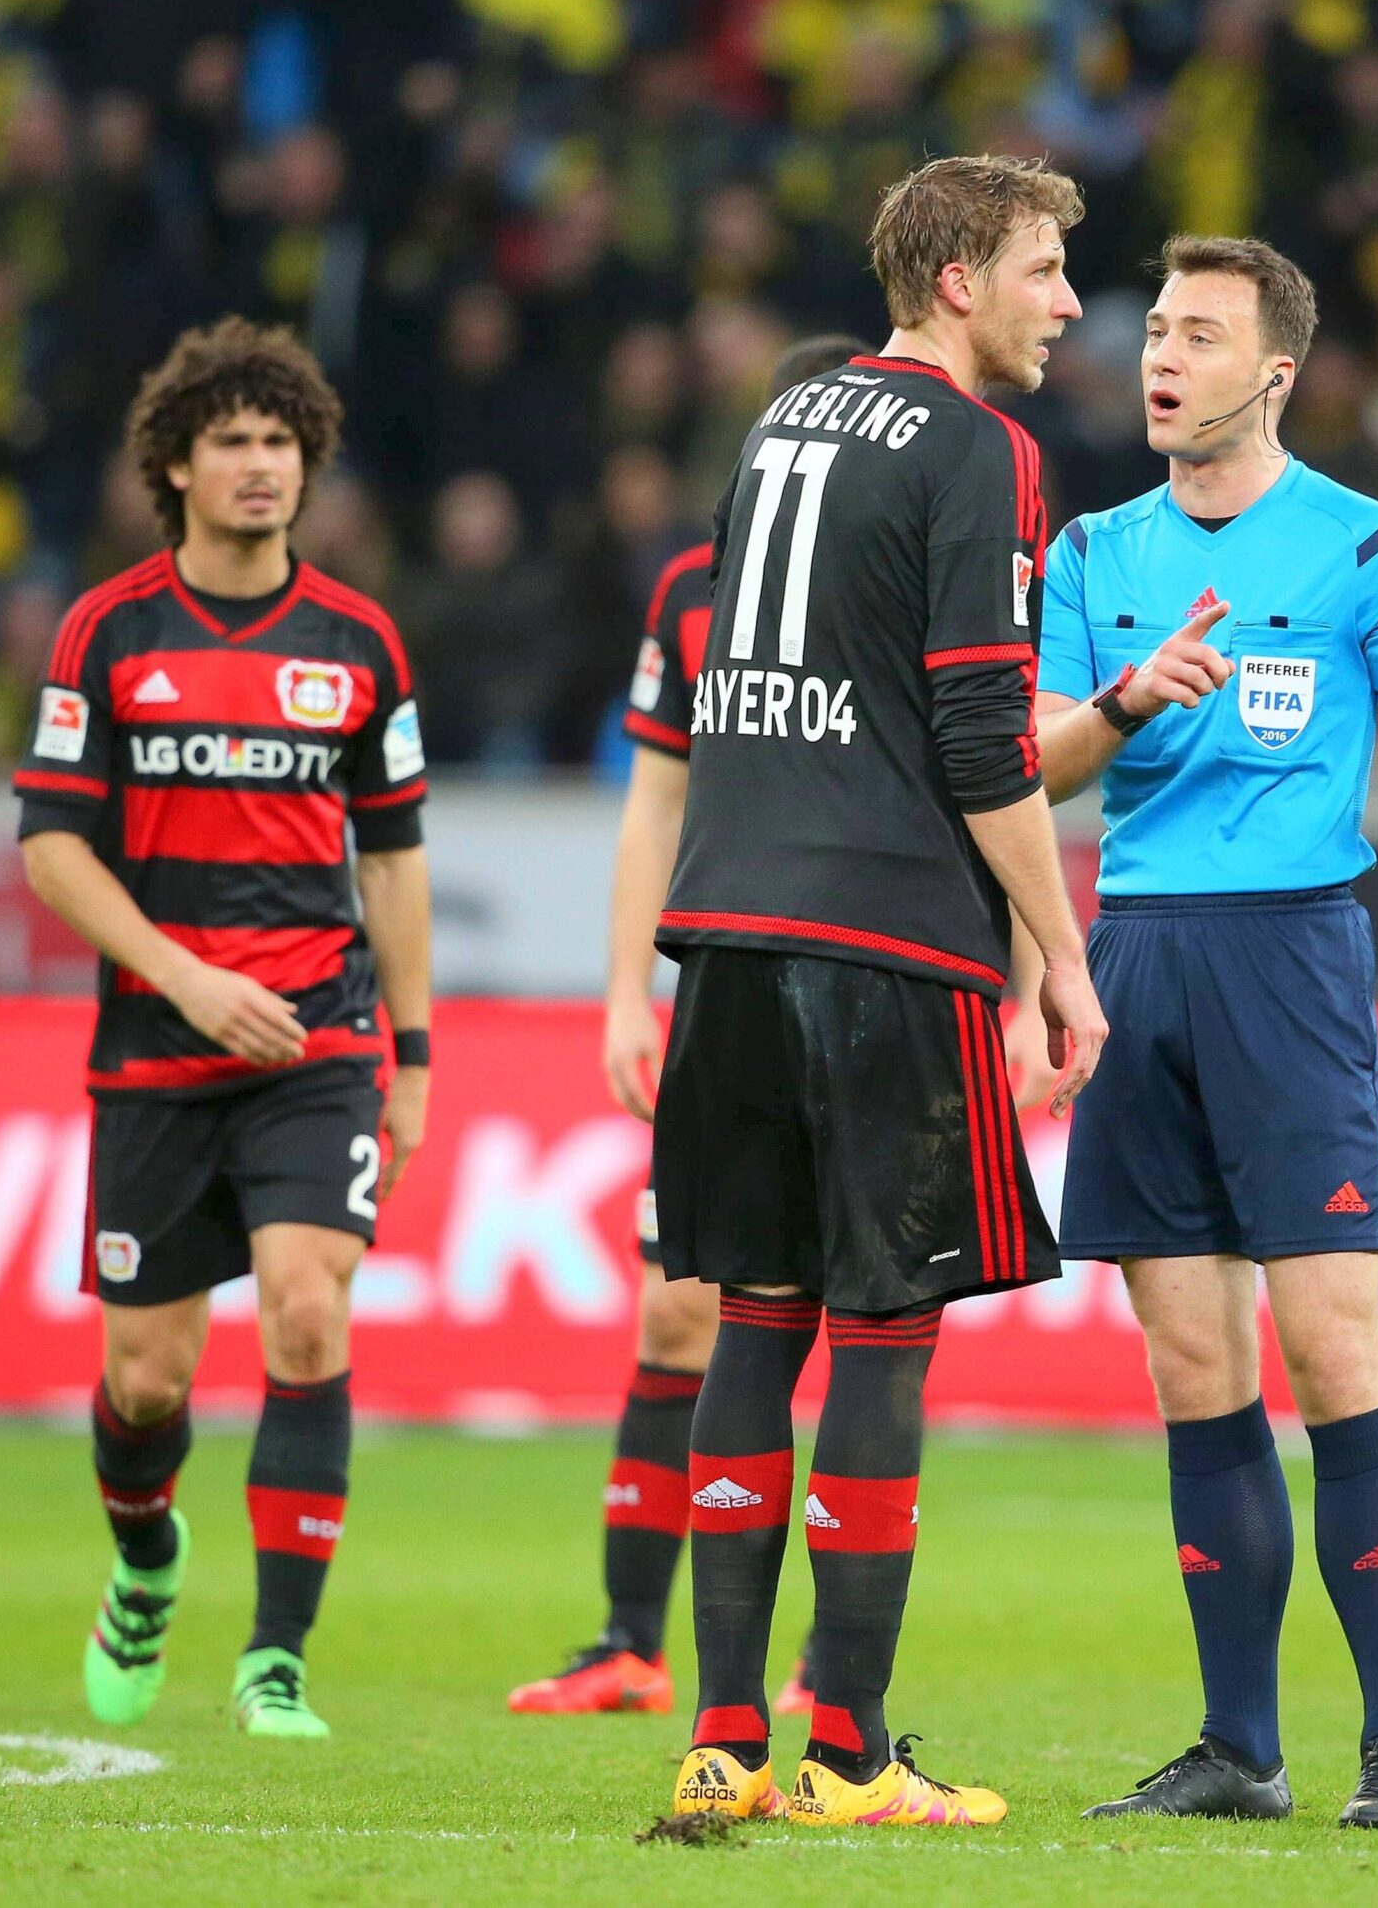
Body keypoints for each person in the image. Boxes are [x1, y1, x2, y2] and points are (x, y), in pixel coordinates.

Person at [655, 154, 1107, 1829]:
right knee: (883, 1332)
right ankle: (846, 1749)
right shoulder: (982, 447)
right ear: (956, 277)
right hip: (884, 941)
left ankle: (721, 1734)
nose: (1072, 304)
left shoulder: (787, 420)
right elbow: (984, 740)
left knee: (755, 1316)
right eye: (1048, 270)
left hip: (730, 927)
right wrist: (1060, 957)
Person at [1031, 235, 1378, 1829]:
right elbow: (1040, 762)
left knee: (1328, 1345)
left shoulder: (1371, 552)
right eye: (1154, 328)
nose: (1159, 355)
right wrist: (1129, 702)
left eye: (1198, 334)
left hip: (1291, 957)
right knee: (1191, 1360)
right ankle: (1240, 1744)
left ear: (1273, 374)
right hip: (1139, 950)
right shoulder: (1095, 552)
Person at [14, 318, 434, 1741]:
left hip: (318, 1041)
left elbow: (393, 860)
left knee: (310, 1312)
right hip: (157, 1049)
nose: (263, 467)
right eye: (234, 443)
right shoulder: (111, 632)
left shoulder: (359, 640)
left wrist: (416, 1050)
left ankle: (276, 1658)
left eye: (282, 444)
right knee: (148, 1375)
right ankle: (144, 1563)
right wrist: (187, 979)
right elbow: (52, 851)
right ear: (177, 464)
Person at [507, 332, 871, 1721]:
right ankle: (627, 1640)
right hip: (720, 989)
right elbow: (654, 800)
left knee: (852, 1321)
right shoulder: (691, 591)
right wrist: (622, 990)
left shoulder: (908, 571)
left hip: (866, 982)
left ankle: (830, 1662)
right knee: (678, 1308)